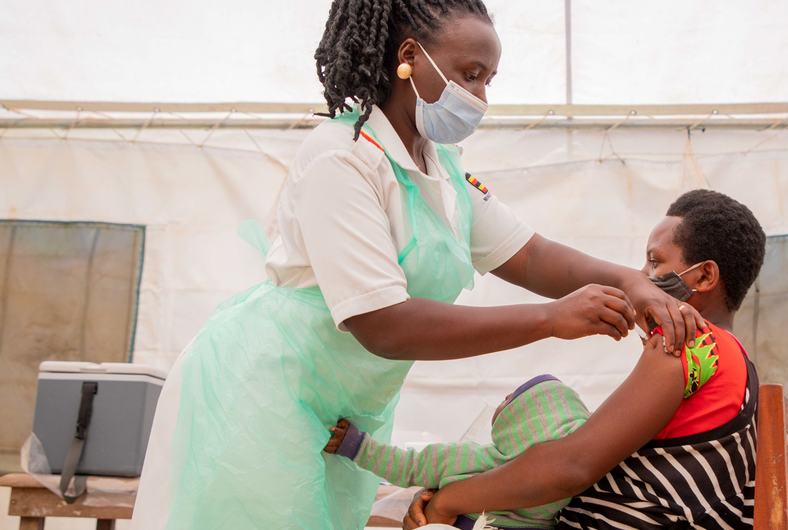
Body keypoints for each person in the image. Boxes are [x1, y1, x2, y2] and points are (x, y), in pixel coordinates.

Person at [129, 1, 702, 528]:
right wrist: (551, 319)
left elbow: (529, 255)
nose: (480, 98)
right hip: (266, 392)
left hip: (342, 406)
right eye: (470, 74)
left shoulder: (443, 169)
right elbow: (384, 323)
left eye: (488, 81)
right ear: (409, 57)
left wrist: (632, 281)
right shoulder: (342, 158)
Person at [406, 190, 768, 530]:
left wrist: (447, 503)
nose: (641, 277)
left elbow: (571, 466)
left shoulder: (687, 342)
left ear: (704, 276)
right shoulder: (734, 360)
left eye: (655, 262)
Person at [325, 375, 589, 529]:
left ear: (516, 418)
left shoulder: (470, 459)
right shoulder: (573, 491)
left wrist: (358, 446)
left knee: (388, 507)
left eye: (508, 398)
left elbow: (407, 466)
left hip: (451, 521)